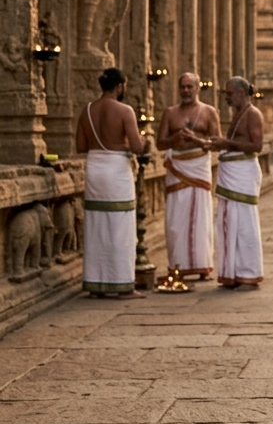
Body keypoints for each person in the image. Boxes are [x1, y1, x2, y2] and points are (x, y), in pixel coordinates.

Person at [75, 67, 146, 298]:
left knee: (97, 226)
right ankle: (123, 285)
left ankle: (96, 284)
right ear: (119, 86)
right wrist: (142, 140)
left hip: (95, 169)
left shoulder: (86, 110)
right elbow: (137, 147)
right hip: (116, 172)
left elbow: (81, 147)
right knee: (120, 227)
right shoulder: (125, 110)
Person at [157, 72, 221, 278]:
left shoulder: (209, 112)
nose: (186, 91)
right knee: (176, 219)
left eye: (189, 87)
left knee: (200, 217)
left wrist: (197, 139)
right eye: (182, 87)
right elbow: (160, 143)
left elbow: (216, 143)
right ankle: (178, 265)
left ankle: (202, 265)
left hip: (198, 167)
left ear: (198, 88)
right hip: (177, 167)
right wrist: (174, 138)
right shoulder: (170, 113)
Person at [206, 77, 264, 288]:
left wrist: (226, 143)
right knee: (229, 222)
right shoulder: (239, 114)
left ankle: (248, 272)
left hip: (243, 174)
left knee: (244, 224)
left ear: (241, 93)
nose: (227, 98)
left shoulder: (253, 114)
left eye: (229, 94)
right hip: (232, 173)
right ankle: (233, 272)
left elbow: (256, 145)